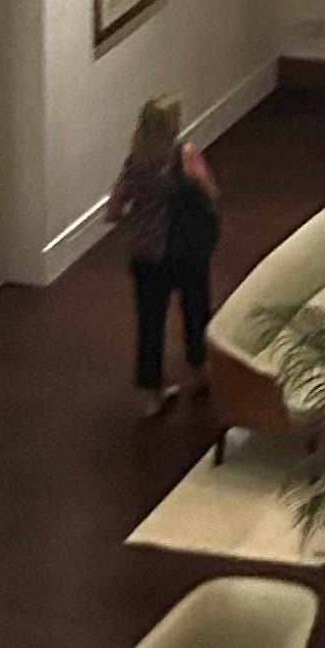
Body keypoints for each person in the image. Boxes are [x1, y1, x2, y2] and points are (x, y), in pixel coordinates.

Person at [107, 95, 219, 419]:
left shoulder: (134, 163)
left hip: (145, 257)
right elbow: (211, 193)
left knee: (149, 323)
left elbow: (113, 211)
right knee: (195, 310)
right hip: (184, 251)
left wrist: (140, 220)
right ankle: (200, 373)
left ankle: (152, 395)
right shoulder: (185, 157)